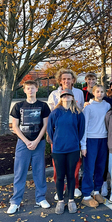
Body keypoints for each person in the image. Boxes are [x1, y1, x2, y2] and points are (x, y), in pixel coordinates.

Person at [7, 80, 51, 214]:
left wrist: (37, 141)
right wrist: (26, 142)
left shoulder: (43, 106)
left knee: (39, 171)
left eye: (32, 88)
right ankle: (16, 201)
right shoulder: (18, 106)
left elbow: (45, 125)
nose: (30, 90)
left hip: (39, 142)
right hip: (23, 143)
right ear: (24, 90)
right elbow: (15, 127)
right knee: (20, 172)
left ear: (37, 89)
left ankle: (40, 198)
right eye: (28, 88)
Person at [48, 68, 84, 199]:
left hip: (73, 134)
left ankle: (73, 187)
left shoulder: (79, 93)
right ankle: (61, 189)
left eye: (69, 78)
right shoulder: (53, 94)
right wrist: (51, 137)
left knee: (75, 163)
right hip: (58, 136)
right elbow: (50, 117)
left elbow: (81, 113)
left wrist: (78, 138)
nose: (66, 81)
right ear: (60, 80)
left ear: (73, 80)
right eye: (64, 79)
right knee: (58, 165)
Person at [80, 85, 111, 208]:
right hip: (91, 139)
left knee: (100, 167)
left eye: (102, 92)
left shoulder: (107, 106)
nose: (100, 93)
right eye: (97, 91)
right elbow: (84, 127)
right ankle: (86, 195)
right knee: (89, 168)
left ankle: (96, 191)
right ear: (93, 93)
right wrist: (83, 145)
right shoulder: (88, 107)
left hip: (103, 139)